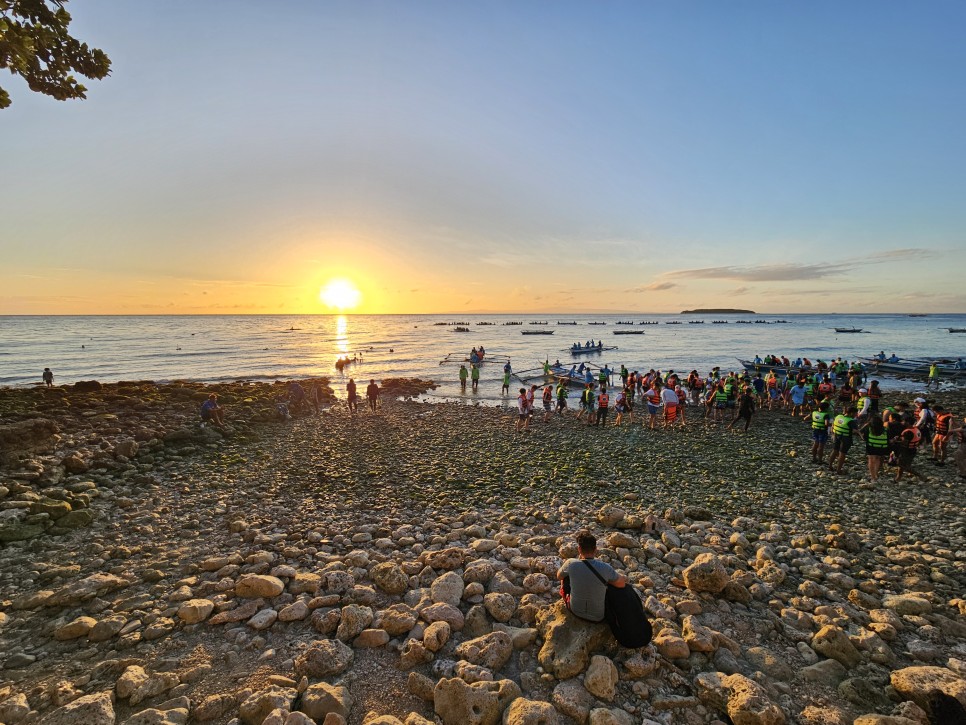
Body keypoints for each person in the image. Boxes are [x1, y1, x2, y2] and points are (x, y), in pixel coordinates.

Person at [556, 530, 626, 623]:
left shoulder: (571, 563)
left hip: (575, 611)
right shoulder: (605, 568)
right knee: (610, 582)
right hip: (598, 617)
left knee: (565, 577)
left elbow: (559, 576)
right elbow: (622, 584)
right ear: (595, 549)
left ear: (579, 549)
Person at [828, 405, 859, 474]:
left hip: (837, 435)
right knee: (842, 453)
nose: (856, 415)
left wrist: (833, 433)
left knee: (835, 450)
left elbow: (833, 424)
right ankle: (839, 470)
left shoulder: (838, 416)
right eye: (855, 413)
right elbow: (855, 431)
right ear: (851, 413)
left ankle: (830, 466)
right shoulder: (851, 421)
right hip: (845, 438)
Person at [863, 416, 889, 482]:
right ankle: (876, 473)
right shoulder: (885, 429)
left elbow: (865, 438)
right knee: (878, 459)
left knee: (871, 461)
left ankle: (873, 477)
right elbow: (888, 438)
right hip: (882, 447)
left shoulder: (869, 428)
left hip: (871, 446)